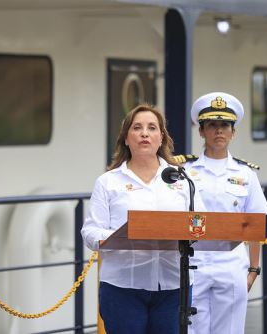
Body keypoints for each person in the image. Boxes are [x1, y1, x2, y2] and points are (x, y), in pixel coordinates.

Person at [81, 104, 205, 334]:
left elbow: (201, 223)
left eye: (152, 128)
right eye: (137, 128)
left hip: (173, 286)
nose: (145, 133)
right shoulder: (108, 182)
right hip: (122, 287)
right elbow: (90, 232)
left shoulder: (182, 179)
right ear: (126, 138)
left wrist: (187, 233)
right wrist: (122, 237)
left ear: (161, 138)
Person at [181, 92, 267, 334]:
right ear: (201, 131)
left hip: (231, 265)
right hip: (193, 262)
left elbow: (255, 223)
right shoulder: (184, 170)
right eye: (212, 125)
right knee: (192, 330)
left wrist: (253, 269)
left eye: (225, 126)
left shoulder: (246, 174)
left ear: (233, 132)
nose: (219, 131)